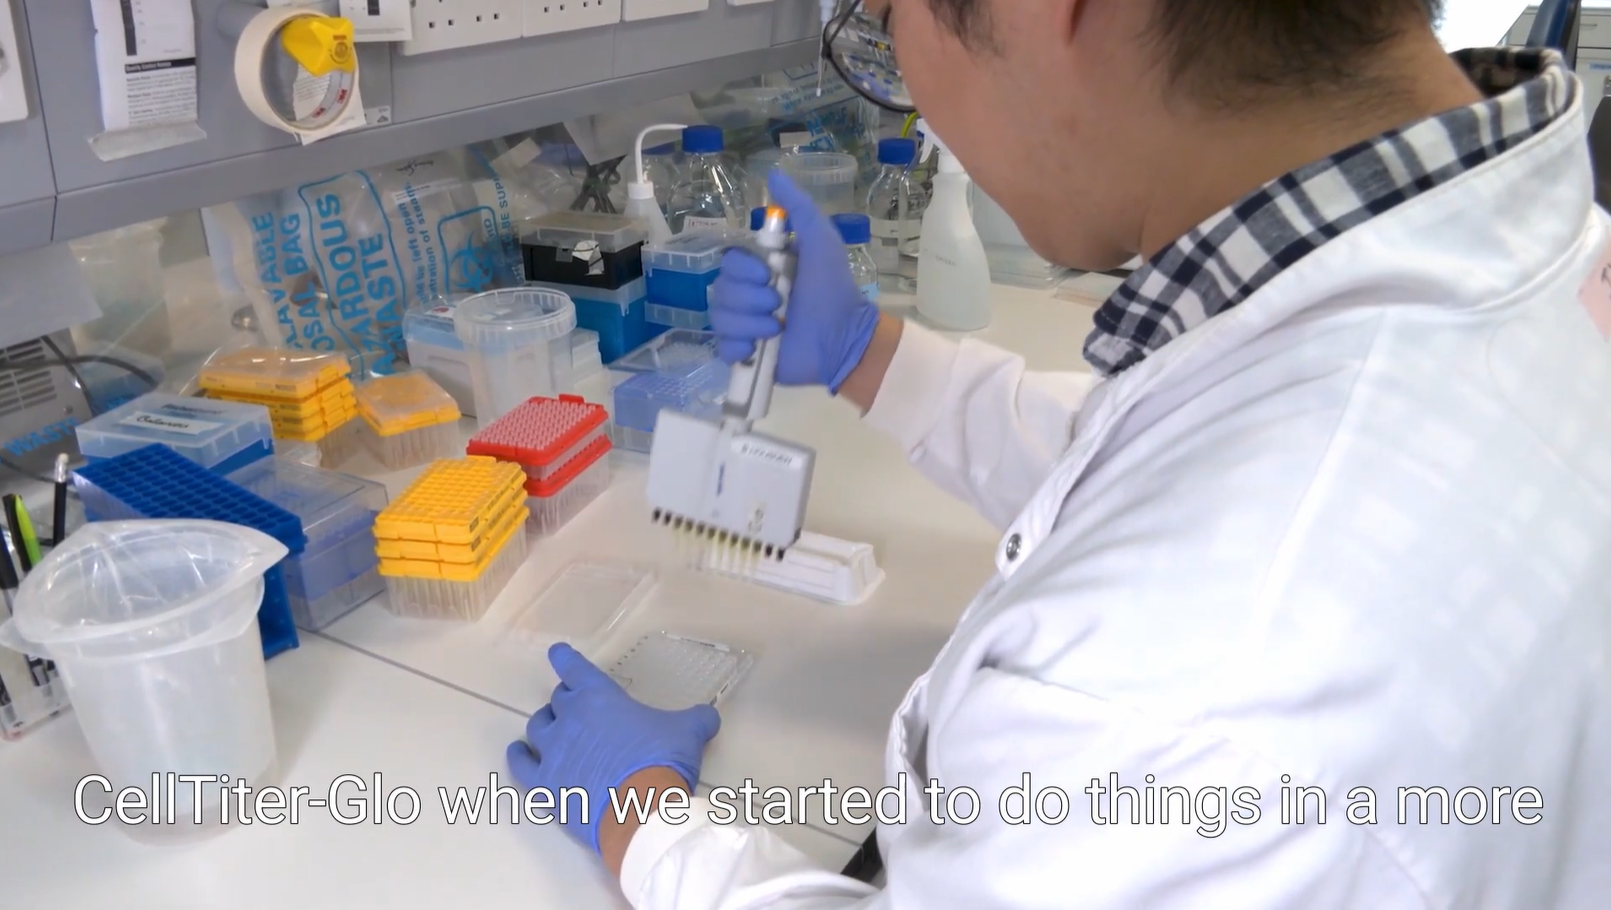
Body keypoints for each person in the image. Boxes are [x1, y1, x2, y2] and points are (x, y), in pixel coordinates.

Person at [507, 0, 1611, 905]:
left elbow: (1209, 545)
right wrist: (872, 357)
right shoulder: (1510, 261)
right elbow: (1170, 466)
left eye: (885, 24)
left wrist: (649, 825)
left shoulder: (1169, 694)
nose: (905, 79)